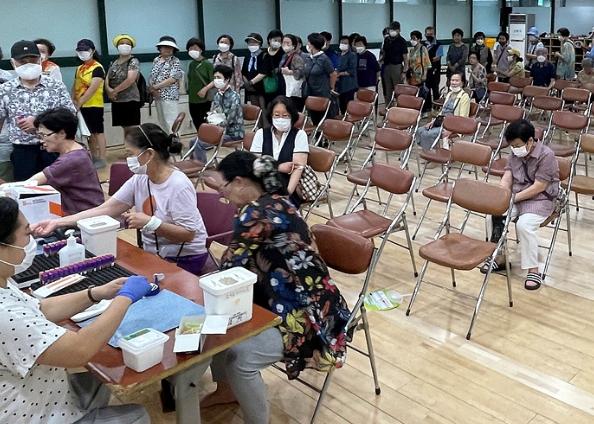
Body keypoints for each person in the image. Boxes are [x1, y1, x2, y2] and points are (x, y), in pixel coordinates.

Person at [201, 151, 350, 424]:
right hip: (313, 301)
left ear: (240, 182)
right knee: (219, 326)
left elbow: (229, 266)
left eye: (224, 187)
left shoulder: (255, 214)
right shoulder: (278, 199)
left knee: (238, 356)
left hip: (307, 316)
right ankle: (227, 390)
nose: (222, 195)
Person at [0, 197, 152, 423]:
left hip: (43, 391)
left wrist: (96, 293)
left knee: (96, 377)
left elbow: (40, 308)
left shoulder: (4, 281)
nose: (33, 241)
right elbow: (80, 349)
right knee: (137, 416)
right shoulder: (5, 314)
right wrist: (125, 298)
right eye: (27, 234)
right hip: (31, 415)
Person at [33, 123, 209, 276]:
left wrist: (150, 223)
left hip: (185, 258)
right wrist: (57, 223)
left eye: (130, 153)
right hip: (156, 254)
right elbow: (106, 209)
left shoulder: (178, 185)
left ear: (149, 154)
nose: (128, 159)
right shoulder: (141, 178)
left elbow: (189, 234)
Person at [481, 119, 559, 291]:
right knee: (493, 215)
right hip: (518, 196)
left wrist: (511, 198)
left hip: (541, 199)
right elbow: (508, 174)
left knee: (524, 225)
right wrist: (502, 193)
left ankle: (533, 269)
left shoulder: (547, 155)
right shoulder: (515, 153)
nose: (515, 149)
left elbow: (539, 187)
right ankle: (499, 258)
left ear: (530, 140)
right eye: (512, 146)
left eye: (517, 145)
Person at [0, 40, 75, 182]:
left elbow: (70, 115)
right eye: (23, 62)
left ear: (41, 60)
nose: (28, 64)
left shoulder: (56, 86)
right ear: (13, 63)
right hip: (23, 152)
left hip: (54, 149)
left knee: (57, 188)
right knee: (25, 190)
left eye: (33, 60)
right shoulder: (5, 90)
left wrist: (38, 121)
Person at [27, 108, 104, 215]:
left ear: (62, 133)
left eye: (44, 135)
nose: (41, 140)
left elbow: (29, 184)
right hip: (83, 211)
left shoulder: (71, 160)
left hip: (84, 217)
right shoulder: (79, 149)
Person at [250, 96, 309, 207]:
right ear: (271, 116)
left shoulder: (299, 135)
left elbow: (298, 169)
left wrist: (286, 194)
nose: (281, 119)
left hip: (287, 187)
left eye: (285, 115)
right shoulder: (261, 134)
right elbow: (254, 164)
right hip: (261, 186)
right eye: (276, 115)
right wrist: (278, 167)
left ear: (292, 116)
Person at [192, 65, 244, 163]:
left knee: (199, 143)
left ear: (227, 79)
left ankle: (202, 167)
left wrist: (215, 127)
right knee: (193, 141)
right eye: (215, 78)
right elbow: (213, 113)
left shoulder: (235, 97)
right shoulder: (217, 95)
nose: (216, 80)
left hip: (232, 133)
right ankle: (195, 164)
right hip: (218, 131)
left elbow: (230, 120)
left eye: (219, 77)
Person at [73, 39, 107, 169]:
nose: (83, 53)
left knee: (98, 132)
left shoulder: (97, 68)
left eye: (86, 50)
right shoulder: (79, 68)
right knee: (89, 133)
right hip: (81, 106)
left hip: (94, 105)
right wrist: (72, 100)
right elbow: (75, 85)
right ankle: (94, 157)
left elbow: (92, 89)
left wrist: (80, 102)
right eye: (80, 50)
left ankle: (102, 158)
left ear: (93, 51)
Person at [416, 73, 470, 150]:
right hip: (441, 122)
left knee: (428, 134)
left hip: (451, 126)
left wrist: (451, 130)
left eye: (457, 81)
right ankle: (431, 150)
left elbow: (462, 118)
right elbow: (442, 112)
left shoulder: (464, 97)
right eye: (452, 80)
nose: (454, 83)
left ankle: (431, 153)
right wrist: (432, 122)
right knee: (420, 130)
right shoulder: (449, 94)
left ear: (462, 83)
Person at [105, 34, 141, 136]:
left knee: (132, 128)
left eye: (127, 44)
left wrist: (114, 91)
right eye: (121, 43)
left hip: (130, 100)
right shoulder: (114, 62)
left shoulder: (133, 61)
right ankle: (127, 145)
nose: (124, 45)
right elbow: (107, 78)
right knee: (124, 127)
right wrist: (108, 90)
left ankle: (134, 145)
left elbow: (130, 79)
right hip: (117, 100)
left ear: (131, 47)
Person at [149, 36, 183, 134]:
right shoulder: (156, 59)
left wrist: (155, 87)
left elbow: (172, 79)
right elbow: (152, 76)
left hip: (169, 95)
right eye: (164, 47)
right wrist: (153, 90)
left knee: (171, 121)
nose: (167, 49)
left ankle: (175, 141)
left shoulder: (175, 61)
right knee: (162, 121)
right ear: (160, 48)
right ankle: (165, 140)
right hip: (157, 95)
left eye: (170, 47)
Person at [302, 33, 338, 123]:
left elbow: (333, 74)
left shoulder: (324, 58)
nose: (307, 44)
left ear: (313, 44)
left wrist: (331, 88)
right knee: (314, 118)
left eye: (309, 42)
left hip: (322, 92)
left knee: (324, 119)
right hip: (310, 92)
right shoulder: (309, 58)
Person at [186, 37, 213, 131]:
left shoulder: (207, 64)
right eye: (190, 48)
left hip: (204, 99)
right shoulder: (191, 64)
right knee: (196, 120)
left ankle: (207, 138)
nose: (192, 50)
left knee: (204, 122)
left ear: (201, 49)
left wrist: (205, 89)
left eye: (195, 48)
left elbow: (214, 80)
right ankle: (201, 138)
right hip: (192, 98)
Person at [381, 21, 408, 99]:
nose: (392, 31)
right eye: (391, 29)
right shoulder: (387, 40)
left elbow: (405, 58)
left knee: (398, 89)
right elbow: (384, 53)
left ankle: (400, 104)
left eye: (394, 29)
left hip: (397, 67)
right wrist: (380, 61)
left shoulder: (402, 41)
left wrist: (404, 72)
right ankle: (389, 105)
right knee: (387, 89)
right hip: (386, 66)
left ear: (399, 30)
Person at [279, 34, 306, 111]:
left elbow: (301, 72)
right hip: (285, 86)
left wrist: (290, 72)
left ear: (293, 46)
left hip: (294, 90)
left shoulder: (297, 57)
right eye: (283, 43)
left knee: (294, 109)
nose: (285, 45)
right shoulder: (284, 56)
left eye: (288, 43)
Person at [241, 32, 266, 113]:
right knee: (255, 110)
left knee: (263, 109)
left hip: (262, 87)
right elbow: (243, 72)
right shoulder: (248, 56)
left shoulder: (264, 55)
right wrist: (247, 84)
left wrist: (251, 82)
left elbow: (264, 72)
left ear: (260, 43)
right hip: (250, 89)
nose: (251, 44)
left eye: (254, 42)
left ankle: (265, 122)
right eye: (249, 42)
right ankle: (258, 122)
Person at [261, 30, 285, 106]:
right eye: (275, 40)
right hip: (266, 83)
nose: (277, 42)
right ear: (269, 40)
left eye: (279, 41)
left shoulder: (283, 53)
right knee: (268, 104)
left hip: (280, 83)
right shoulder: (264, 53)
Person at [335, 35, 358, 115]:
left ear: (349, 44)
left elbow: (351, 70)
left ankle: (349, 120)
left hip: (349, 85)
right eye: (342, 43)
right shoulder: (338, 55)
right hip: (339, 85)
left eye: (345, 43)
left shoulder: (352, 55)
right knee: (341, 106)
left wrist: (339, 74)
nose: (343, 44)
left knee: (348, 106)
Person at [407, 30, 431, 102]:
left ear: (419, 39)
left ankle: (425, 107)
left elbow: (426, 63)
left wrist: (424, 75)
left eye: (414, 38)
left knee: (422, 94)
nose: (412, 40)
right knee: (414, 94)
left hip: (421, 75)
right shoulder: (412, 50)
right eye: (411, 38)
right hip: (413, 76)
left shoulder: (423, 49)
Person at [423, 26, 443, 112]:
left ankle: (436, 108)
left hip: (435, 70)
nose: (429, 36)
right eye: (428, 34)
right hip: (425, 71)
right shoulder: (423, 45)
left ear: (434, 34)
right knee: (426, 90)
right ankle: (427, 108)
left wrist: (426, 58)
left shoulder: (439, 44)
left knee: (435, 90)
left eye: (431, 34)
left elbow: (437, 58)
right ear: (425, 34)